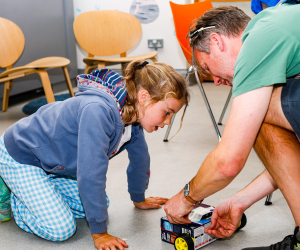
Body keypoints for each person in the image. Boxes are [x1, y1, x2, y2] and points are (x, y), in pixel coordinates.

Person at [0, 59, 190, 250]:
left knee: (98, 204)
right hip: (21, 154)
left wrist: (138, 198)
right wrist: (100, 234)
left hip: (51, 164)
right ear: (144, 97)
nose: (167, 122)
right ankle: (12, 196)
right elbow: (91, 174)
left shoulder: (134, 120)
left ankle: (35, 190)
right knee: (60, 229)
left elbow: (140, 160)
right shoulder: (97, 112)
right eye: (166, 112)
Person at [164, 3, 300, 250]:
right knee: (259, 111)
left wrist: (186, 198)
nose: (215, 81)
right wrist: (239, 201)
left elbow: (228, 163)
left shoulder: (259, 40)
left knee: (255, 110)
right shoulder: (278, 28)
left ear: (217, 41)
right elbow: (293, 159)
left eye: (207, 68)